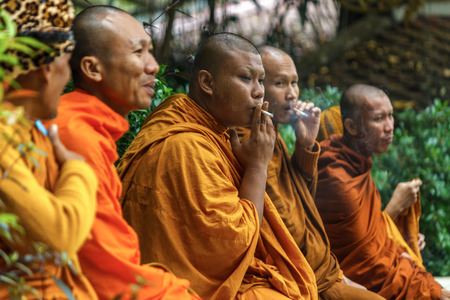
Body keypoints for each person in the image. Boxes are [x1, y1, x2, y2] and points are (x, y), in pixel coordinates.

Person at [117, 33, 318, 299]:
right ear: (207, 82)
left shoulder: (221, 133)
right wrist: (257, 167)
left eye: (261, 80)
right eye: (246, 78)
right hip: (190, 285)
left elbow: (298, 206)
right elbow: (234, 241)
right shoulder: (187, 146)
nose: (259, 91)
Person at [47, 5, 200, 300]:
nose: (153, 66)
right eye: (137, 52)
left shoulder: (85, 126)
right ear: (93, 68)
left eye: (150, 51)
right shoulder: (75, 137)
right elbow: (107, 275)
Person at [234, 46, 385, 300]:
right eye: (281, 83)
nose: (292, 94)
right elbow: (285, 222)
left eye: (295, 83)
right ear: (258, 87)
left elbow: (302, 202)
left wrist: (305, 144)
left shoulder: (271, 132)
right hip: (302, 274)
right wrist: (330, 275)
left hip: (322, 268)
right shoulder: (251, 140)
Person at [0, 0, 98, 298]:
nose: (67, 78)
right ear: (46, 69)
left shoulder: (34, 131)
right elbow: (58, 237)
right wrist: (77, 168)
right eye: (67, 63)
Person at [315, 83, 450, 300]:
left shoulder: (356, 162)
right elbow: (368, 266)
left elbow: (373, 238)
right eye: (379, 119)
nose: (390, 126)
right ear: (350, 127)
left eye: (391, 116)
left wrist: (401, 249)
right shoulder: (337, 178)